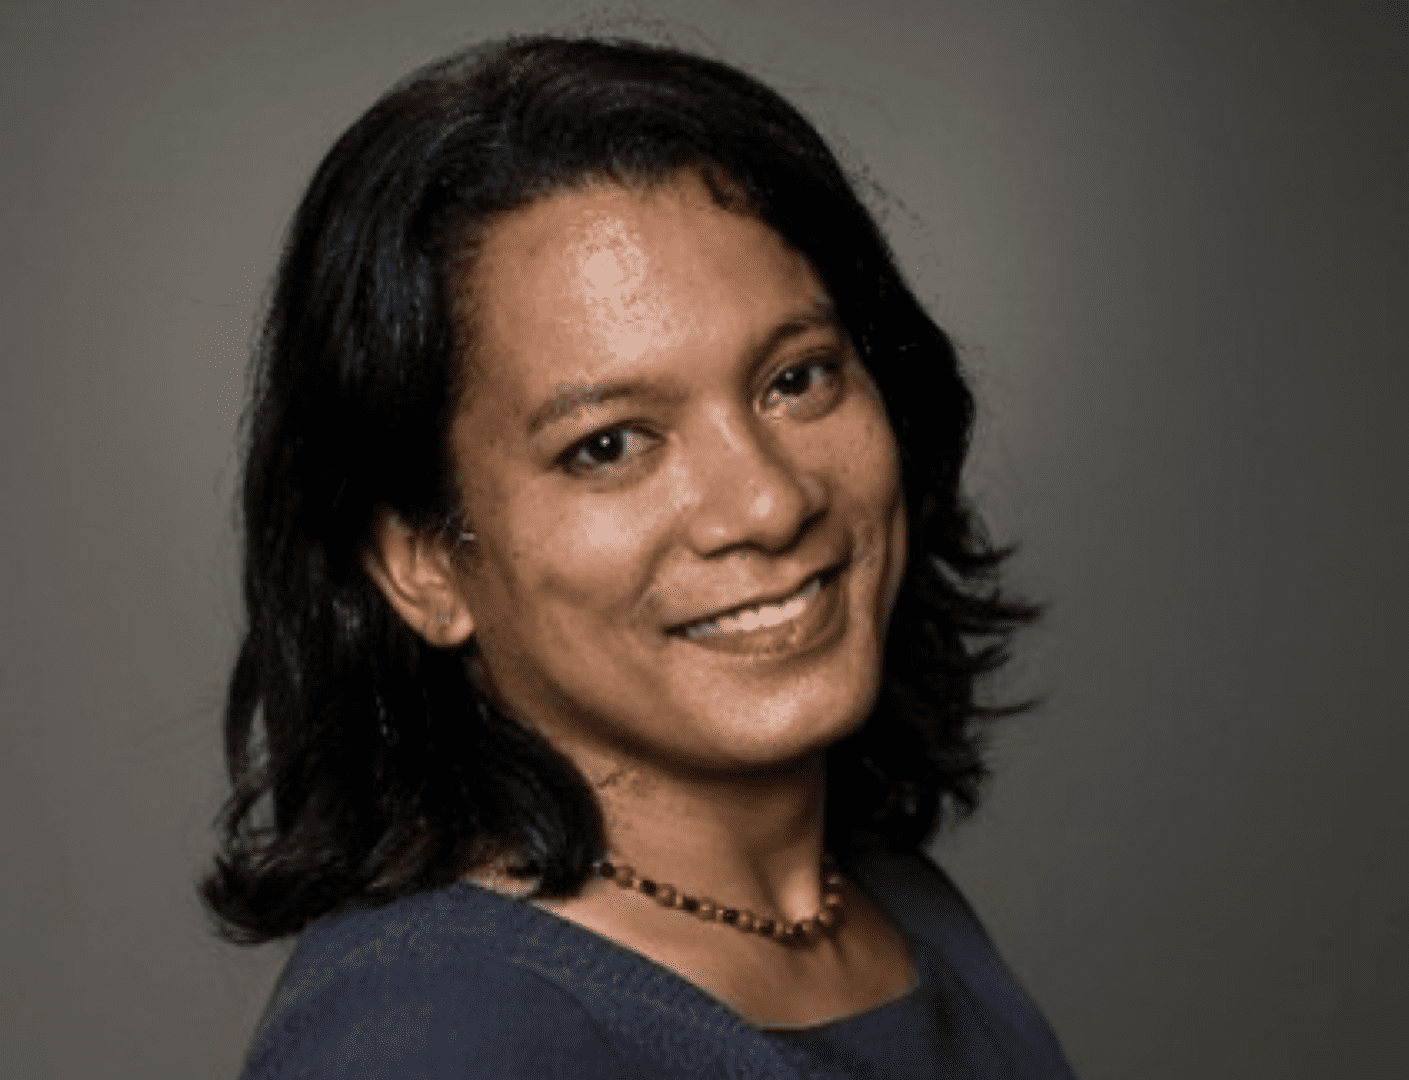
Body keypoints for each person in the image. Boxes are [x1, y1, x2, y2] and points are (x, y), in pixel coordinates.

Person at [203, 35, 1077, 1079]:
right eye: (607, 445)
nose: (766, 499)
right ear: (424, 563)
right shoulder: (433, 1040)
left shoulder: (885, 901)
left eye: (795, 378)